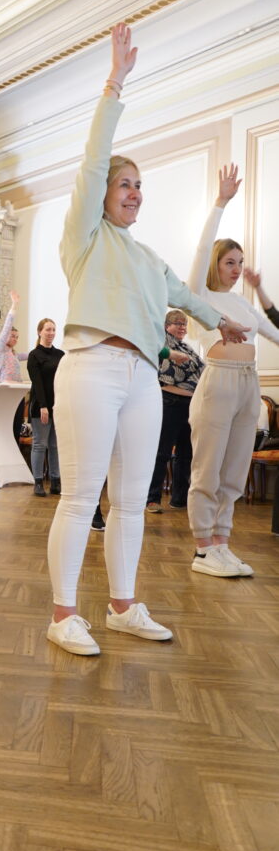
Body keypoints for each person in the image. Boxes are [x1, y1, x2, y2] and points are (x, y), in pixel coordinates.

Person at [45, 24, 248, 657]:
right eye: (125, 184)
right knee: (82, 498)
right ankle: (62, 615)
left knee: (133, 499)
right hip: (90, 368)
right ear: (104, 192)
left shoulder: (145, 255)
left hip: (142, 378)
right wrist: (114, 84)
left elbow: (187, 296)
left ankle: (122, 605)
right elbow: (91, 158)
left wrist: (225, 322)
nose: (135, 194)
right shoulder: (85, 236)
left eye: (140, 188)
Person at [186, 164, 279, 577]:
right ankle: (203, 547)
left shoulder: (243, 302)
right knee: (208, 467)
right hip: (217, 381)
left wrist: (259, 288)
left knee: (236, 467)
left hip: (248, 386)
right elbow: (202, 247)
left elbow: (277, 332)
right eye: (229, 261)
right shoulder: (200, 294)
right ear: (215, 263)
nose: (236, 268)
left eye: (240, 262)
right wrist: (221, 202)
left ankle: (222, 542)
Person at [146, 311, 204, 513]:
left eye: (184, 324)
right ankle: (152, 499)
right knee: (162, 453)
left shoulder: (187, 348)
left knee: (185, 454)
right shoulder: (160, 345)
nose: (182, 327)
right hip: (169, 402)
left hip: (191, 405)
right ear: (166, 325)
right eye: (177, 323)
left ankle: (179, 498)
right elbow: (160, 375)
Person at [27, 318, 64, 497]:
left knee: (55, 445)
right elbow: (38, 383)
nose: (51, 333)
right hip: (40, 407)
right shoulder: (34, 355)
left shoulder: (61, 355)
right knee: (40, 444)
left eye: (53, 330)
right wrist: (43, 406)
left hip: (58, 407)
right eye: (48, 329)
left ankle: (56, 482)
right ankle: (38, 482)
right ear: (40, 332)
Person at [0, 290, 28, 444]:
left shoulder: (14, 354)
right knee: (6, 428)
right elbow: (8, 325)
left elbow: (30, 355)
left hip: (18, 393)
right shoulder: (0, 349)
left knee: (16, 428)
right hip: (6, 393)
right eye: (12, 335)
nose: (15, 339)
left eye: (17, 337)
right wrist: (14, 305)